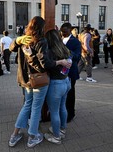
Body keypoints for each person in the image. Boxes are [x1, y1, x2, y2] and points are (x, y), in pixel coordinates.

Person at [8, 16, 70, 148]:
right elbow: (44, 65)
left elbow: (10, 48)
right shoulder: (41, 41)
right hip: (39, 80)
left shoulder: (24, 39)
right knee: (35, 108)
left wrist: (18, 40)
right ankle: (33, 136)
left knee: (26, 106)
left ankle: (14, 135)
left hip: (26, 80)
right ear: (41, 28)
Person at [44, 29, 72, 144]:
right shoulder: (64, 48)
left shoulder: (50, 52)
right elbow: (71, 59)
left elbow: (45, 65)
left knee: (54, 111)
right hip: (66, 81)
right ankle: (62, 129)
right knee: (62, 107)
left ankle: (56, 137)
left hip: (56, 85)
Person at [60, 23, 81, 123]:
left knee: (70, 94)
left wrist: (67, 51)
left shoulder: (76, 42)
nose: (63, 33)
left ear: (70, 30)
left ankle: (70, 114)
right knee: (61, 94)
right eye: (62, 31)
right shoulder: (59, 39)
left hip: (71, 72)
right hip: (60, 73)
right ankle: (62, 112)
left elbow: (77, 57)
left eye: (65, 31)